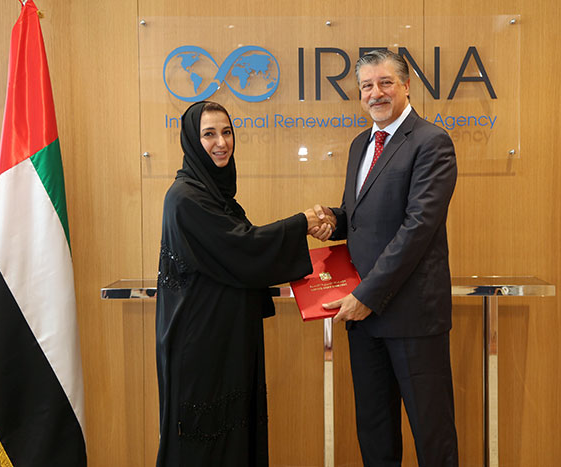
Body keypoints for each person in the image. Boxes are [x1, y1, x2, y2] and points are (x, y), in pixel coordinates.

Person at [155, 101, 331, 466]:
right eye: (208, 134)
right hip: (202, 344)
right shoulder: (185, 197)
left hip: (225, 336)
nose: (221, 142)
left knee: (233, 438)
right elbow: (242, 247)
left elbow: (240, 246)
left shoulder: (214, 194)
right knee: (205, 444)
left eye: (227, 132)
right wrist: (302, 222)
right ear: (190, 140)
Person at [312, 49, 459, 466]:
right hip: (364, 320)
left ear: (406, 86)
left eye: (384, 83)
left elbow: (417, 229)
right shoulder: (361, 144)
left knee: (433, 437)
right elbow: (360, 218)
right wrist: (330, 222)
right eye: (366, 86)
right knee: (375, 434)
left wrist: (368, 294)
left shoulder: (432, 142)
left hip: (412, 319)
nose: (375, 93)